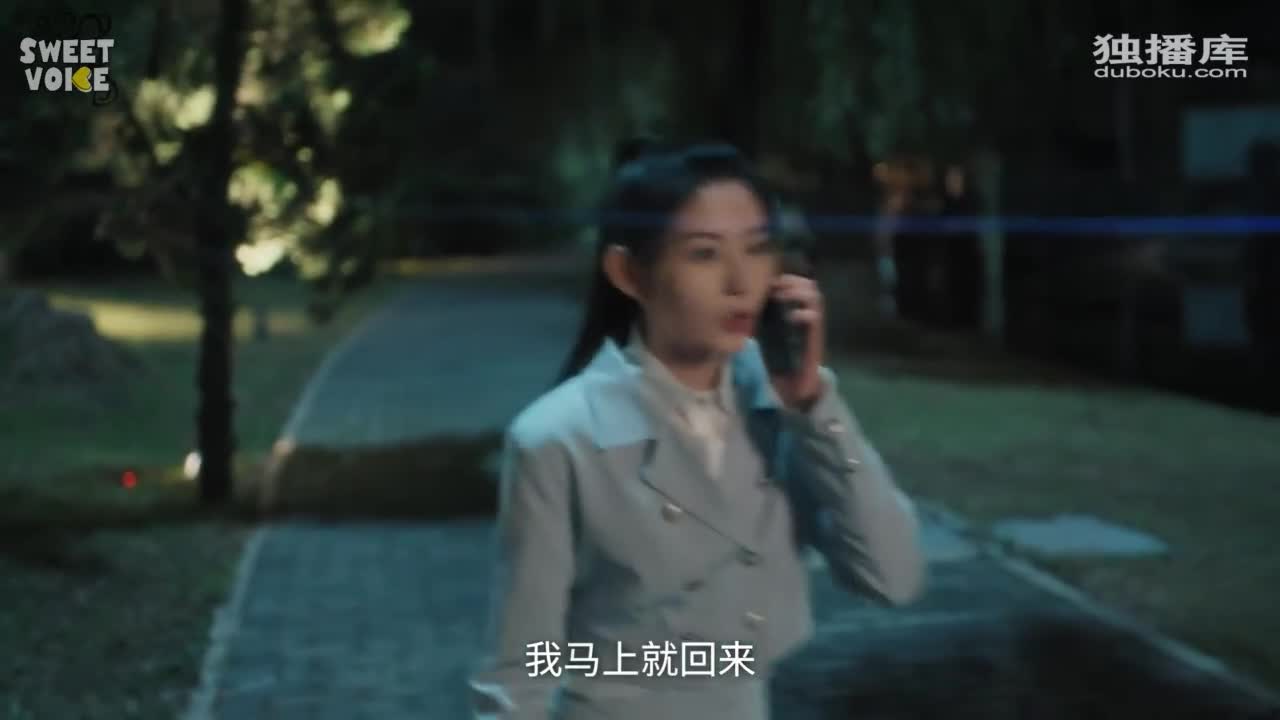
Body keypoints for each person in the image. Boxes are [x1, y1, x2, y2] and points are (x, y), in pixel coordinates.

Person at [468, 140, 926, 719]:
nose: (740, 282)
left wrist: (814, 405)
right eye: (705, 254)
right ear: (629, 273)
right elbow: (519, 675)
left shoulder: (779, 406)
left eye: (757, 249)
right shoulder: (558, 438)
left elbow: (893, 577)